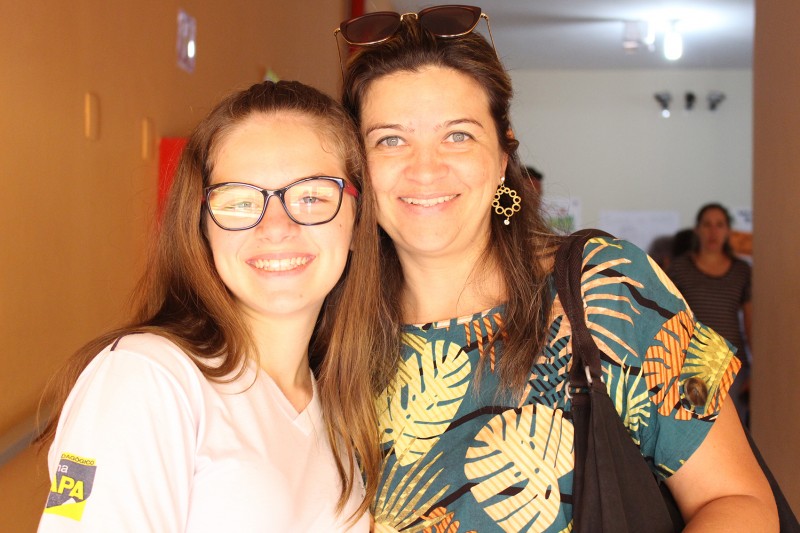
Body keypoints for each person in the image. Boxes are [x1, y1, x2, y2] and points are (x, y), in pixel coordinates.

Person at [320, 6, 777, 532]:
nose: (425, 169)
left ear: (502, 156)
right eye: (390, 139)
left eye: (458, 135)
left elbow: (737, 499)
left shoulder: (603, 287)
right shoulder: (328, 328)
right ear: (358, 165)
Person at [37, 80, 369, 531]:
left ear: (357, 221)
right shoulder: (148, 377)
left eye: (311, 196)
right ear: (203, 228)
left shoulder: (338, 412)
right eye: (239, 202)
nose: (275, 227)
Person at [667, 203, 753, 426]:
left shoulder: (742, 271)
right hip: (693, 363)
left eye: (719, 225)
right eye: (707, 225)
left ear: (728, 231)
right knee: (695, 428)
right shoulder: (679, 268)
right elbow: (669, 318)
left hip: (732, 363)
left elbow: (751, 322)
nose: (713, 232)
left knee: (734, 428)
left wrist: (756, 369)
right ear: (698, 230)